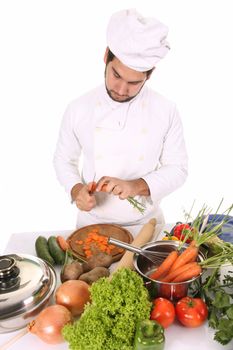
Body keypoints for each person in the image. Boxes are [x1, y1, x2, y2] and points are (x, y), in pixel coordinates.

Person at [53, 8, 188, 237]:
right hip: (91, 225)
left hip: (146, 227)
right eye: (116, 75)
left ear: (149, 74)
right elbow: (63, 160)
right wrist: (76, 190)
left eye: (134, 82)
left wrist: (135, 186)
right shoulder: (78, 108)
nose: (122, 90)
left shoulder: (166, 110)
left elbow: (178, 168)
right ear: (106, 56)